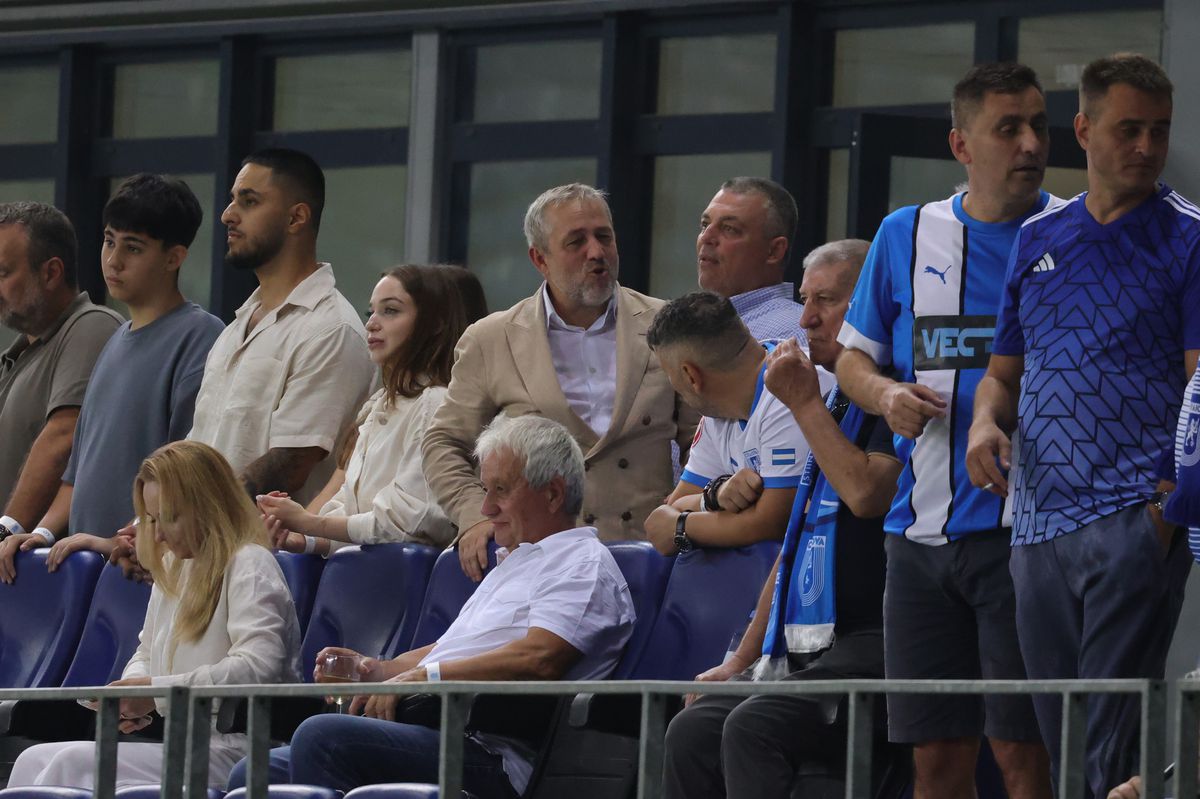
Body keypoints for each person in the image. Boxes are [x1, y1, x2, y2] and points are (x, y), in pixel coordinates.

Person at [968, 53, 1199, 797]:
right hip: (1036, 525)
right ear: (1084, 130)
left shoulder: (1189, 238)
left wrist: (1163, 513)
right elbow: (1002, 375)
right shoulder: (1039, 238)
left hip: (1133, 516)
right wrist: (982, 425)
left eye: (1158, 132)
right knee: (1061, 736)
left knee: (1110, 745)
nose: (1145, 146)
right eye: (1127, 128)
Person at [836, 62, 1058, 799]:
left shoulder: (1073, 233)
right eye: (1009, 128)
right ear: (962, 145)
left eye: (1039, 125)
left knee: (1024, 753)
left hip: (1025, 537)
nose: (1030, 143)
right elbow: (851, 361)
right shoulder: (906, 233)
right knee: (935, 756)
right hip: (918, 538)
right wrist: (887, 393)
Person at [228, 414, 636, 798]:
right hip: (438, 726)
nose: (486, 508)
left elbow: (541, 657)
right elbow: (454, 649)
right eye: (485, 489)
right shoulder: (518, 561)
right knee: (254, 772)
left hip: (495, 753)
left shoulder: (580, 565)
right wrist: (379, 670)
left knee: (324, 738)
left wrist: (425, 677)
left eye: (501, 490)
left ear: (552, 493)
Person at [662, 240, 901, 799]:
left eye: (826, 301)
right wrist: (739, 659)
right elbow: (798, 541)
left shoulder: (893, 391)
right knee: (692, 730)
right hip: (811, 640)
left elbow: (867, 494)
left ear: (870, 306)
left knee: (753, 726)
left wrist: (801, 404)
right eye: (804, 299)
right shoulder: (835, 400)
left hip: (880, 634)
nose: (807, 317)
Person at [422, 183, 698, 580]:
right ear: (540, 258)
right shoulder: (492, 338)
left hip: (650, 560)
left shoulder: (667, 325)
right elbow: (443, 442)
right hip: (538, 561)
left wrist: (687, 516)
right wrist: (475, 514)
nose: (597, 252)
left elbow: (700, 440)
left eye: (604, 236)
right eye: (576, 242)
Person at [7, 440, 301, 790]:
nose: (159, 533)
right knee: (32, 759)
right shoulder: (172, 567)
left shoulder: (249, 563)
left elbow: (258, 667)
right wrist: (131, 694)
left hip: (239, 748)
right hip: (181, 738)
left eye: (170, 517)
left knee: (72, 765)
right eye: (153, 519)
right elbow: (146, 652)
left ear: (209, 506)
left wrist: (156, 693)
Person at [0, 175, 224, 578]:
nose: (114, 260)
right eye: (109, 241)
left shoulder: (201, 338)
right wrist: (44, 532)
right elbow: (76, 475)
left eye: (133, 247)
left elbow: (187, 476)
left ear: (174, 257)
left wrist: (131, 540)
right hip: (87, 572)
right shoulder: (113, 341)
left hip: (147, 571)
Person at [255, 264, 487, 554]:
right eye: (371, 312)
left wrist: (309, 523)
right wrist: (301, 538)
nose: (372, 323)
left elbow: (413, 520)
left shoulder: (434, 402)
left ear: (435, 322)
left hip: (403, 587)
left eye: (390, 311)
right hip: (360, 581)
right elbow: (349, 506)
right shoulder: (380, 405)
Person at [189, 147, 373, 503]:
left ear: (296, 219)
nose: (228, 215)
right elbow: (197, 452)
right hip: (202, 546)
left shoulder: (331, 329)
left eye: (249, 201)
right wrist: (148, 523)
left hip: (273, 555)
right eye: (232, 200)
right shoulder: (234, 330)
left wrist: (188, 520)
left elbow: (291, 465)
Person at [642, 290, 828, 555]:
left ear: (690, 376)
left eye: (668, 374)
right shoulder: (718, 412)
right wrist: (714, 496)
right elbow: (671, 508)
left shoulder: (789, 385)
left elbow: (772, 521)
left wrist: (682, 526)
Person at [0, 202, 122, 571]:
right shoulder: (19, 352)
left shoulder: (91, 326)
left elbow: (63, 437)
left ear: (52, 272)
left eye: (3, 272)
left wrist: (6, 530)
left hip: (41, 570)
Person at [697, 176, 806, 345]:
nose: (706, 237)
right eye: (705, 225)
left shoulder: (792, 336)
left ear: (774, 251)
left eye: (729, 229)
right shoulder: (691, 325)